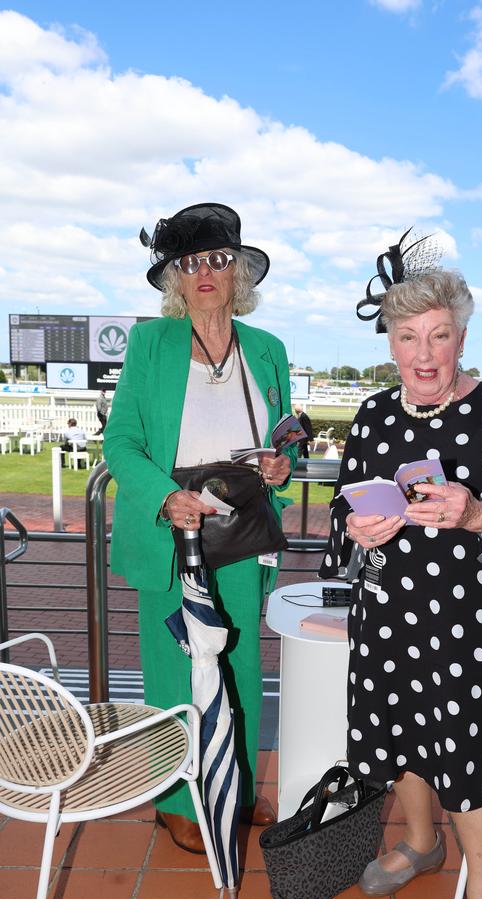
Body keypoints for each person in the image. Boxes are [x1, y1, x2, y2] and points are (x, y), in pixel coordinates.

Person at [320, 230, 482, 899]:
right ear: (389, 341)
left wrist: (479, 514)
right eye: (408, 336)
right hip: (394, 613)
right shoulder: (374, 415)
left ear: (460, 337)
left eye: (440, 336)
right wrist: (359, 531)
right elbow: (340, 522)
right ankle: (420, 842)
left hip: (479, 623)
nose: (425, 354)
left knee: (474, 747)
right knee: (399, 730)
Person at [104, 203, 295, 853]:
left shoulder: (267, 350)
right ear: (173, 280)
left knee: (239, 661)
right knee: (172, 668)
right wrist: (166, 498)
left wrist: (279, 465)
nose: (205, 273)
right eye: (189, 263)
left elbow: (283, 440)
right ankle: (177, 796)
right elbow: (122, 443)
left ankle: (234, 786)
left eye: (217, 259)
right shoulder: (149, 344)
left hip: (241, 529)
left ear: (238, 272)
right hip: (170, 529)